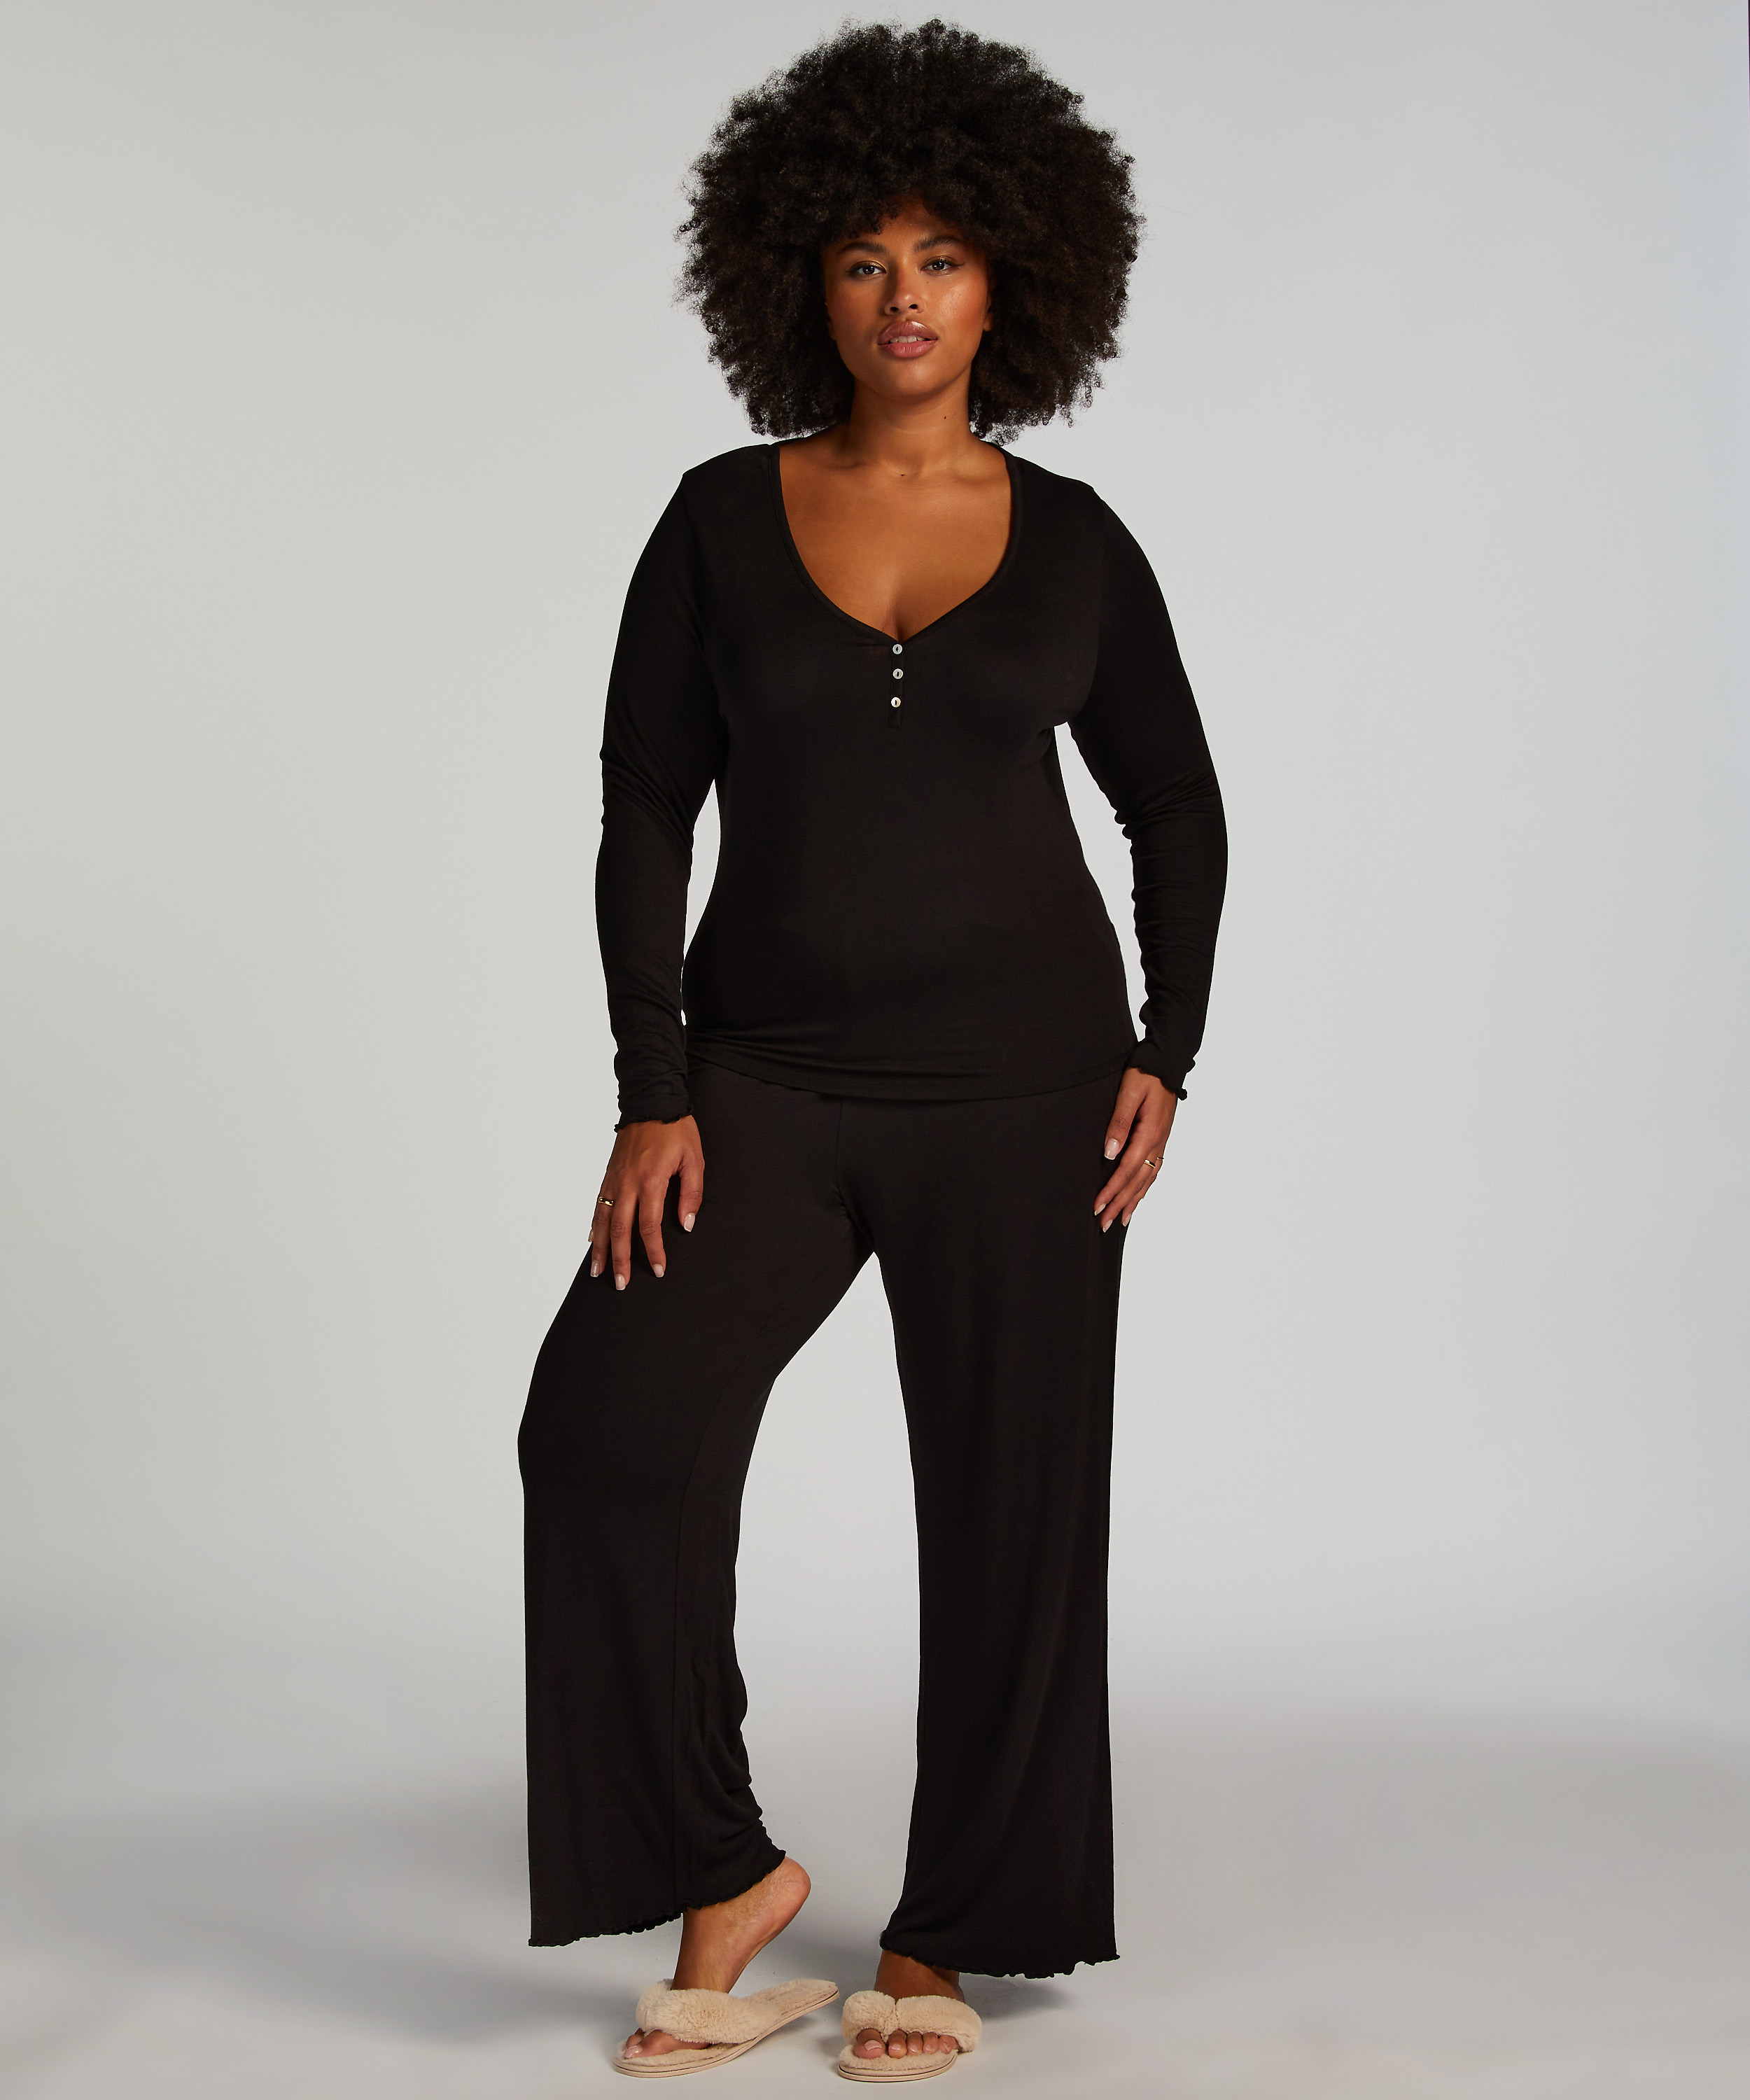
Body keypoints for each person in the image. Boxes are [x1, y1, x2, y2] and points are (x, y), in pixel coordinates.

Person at [518, 19, 1227, 2081]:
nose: (902, 295)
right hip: (761, 1081)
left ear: (1013, 280)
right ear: (797, 285)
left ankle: (948, 1937)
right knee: (603, 1434)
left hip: (1030, 1093)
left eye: (941, 256)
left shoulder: (1076, 539)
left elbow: (1176, 805)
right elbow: (641, 809)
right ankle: (720, 1868)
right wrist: (655, 1088)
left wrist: (1168, 1048)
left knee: (1015, 1509)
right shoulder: (715, 522)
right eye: (860, 259)